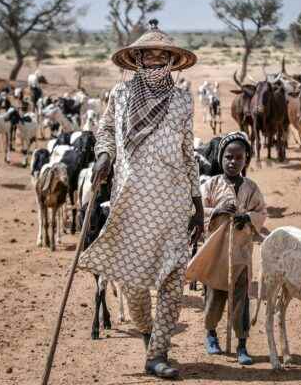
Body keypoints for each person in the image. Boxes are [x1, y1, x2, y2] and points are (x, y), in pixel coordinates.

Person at [79, 19, 202, 380]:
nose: (153, 60)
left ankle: (158, 353)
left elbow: (188, 152)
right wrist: (104, 156)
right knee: (131, 283)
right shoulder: (119, 96)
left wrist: (197, 203)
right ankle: (149, 337)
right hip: (129, 203)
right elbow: (104, 131)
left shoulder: (181, 100)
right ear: (136, 60)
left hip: (173, 203)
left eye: (160, 56)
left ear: (170, 61)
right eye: (146, 55)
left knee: (172, 280)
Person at [185, 131, 267, 365]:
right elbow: (197, 213)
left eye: (239, 158)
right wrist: (217, 211)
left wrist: (248, 218)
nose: (233, 162)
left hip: (240, 253)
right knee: (214, 296)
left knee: (241, 299)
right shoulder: (211, 185)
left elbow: (262, 213)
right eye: (229, 157)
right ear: (221, 157)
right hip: (216, 253)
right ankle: (211, 334)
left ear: (245, 160)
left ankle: (241, 344)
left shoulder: (251, 188)